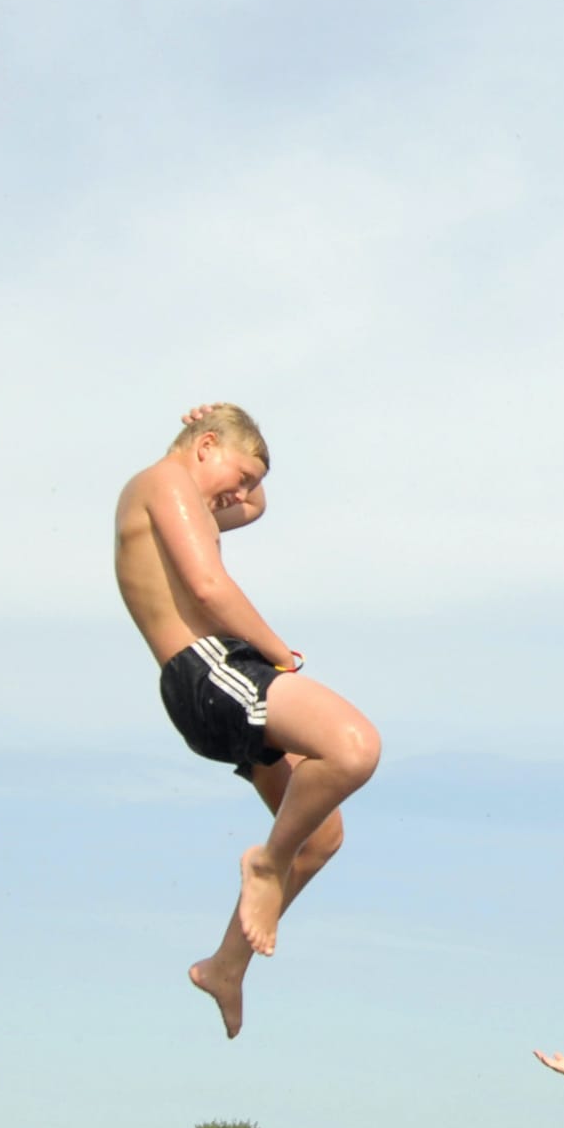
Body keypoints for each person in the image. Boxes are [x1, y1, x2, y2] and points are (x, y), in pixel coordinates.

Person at [114, 404, 380, 1038]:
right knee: (353, 747)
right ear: (204, 445)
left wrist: (239, 450)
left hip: (212, 682)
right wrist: (278, 653)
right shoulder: (164, 481)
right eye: (238, 476)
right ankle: (264, 866)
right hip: (210, 669)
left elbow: (254, 507)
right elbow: (208, 587)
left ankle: (226, 966)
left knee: (320, 836)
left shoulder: (189, 494)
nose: (241, 495)